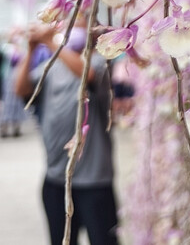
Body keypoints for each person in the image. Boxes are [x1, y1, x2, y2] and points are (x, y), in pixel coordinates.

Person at [14, 19, 119, 245]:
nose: (73, 31)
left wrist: (51, 42)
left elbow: (86, 75)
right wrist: (31, 50)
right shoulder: (51, 67)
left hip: (94, 182)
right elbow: (21, 89)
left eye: (80, 24)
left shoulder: (100, 64)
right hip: (56, 180)